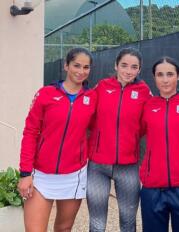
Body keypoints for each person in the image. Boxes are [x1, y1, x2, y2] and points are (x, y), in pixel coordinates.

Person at [17, 47, 96, 232]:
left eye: (86, 67)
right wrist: (25, 173)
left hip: (74, 175)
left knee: (64, 228)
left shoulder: (92, 98)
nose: (81, 71)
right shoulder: (45, 94)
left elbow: (97, 130)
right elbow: (30, 132)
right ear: (66, 66)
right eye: (76, 65)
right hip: (41, 175)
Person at [87, 47, 151, 232]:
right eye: (124, 65)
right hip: (98, 166)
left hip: (128, 166)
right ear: (116, 65)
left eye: (134, 67)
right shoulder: (102, 87)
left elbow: (146, 124)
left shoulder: (144, 91)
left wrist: (129, 140)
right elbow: (89, 118)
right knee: (97, 223)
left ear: (139, 70)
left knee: (128, 221)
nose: (128, 71)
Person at [139, 57, 179, 232]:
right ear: (154, 77)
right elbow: (132, 133)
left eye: (170, 74)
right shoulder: (147, 105)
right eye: (160, 75)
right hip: (152, 186)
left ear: (178, 76)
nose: (165, 80)